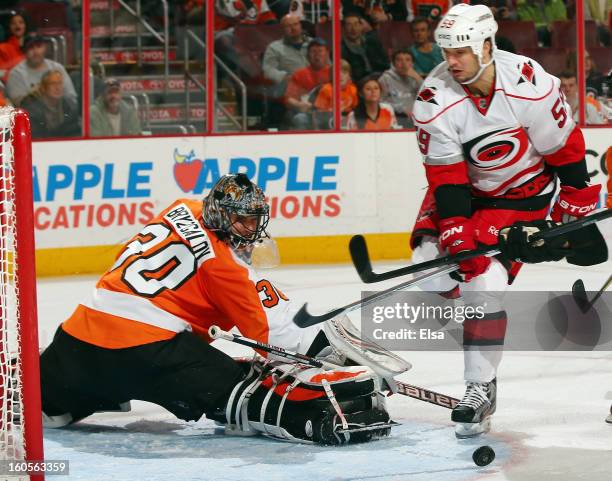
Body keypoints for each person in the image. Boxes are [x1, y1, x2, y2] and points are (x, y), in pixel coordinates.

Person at [39, 173, 394, 445]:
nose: (251, 229)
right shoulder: (226, 267)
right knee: (244, 391)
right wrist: (349, 362)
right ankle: (314, 417)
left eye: (254, 220)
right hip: (149, 353)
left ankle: (83, 390)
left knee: (43, 405)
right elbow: (276, 334)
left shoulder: (179, 208)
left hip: (78, 338)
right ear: (221, 216)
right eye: (243, 220)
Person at [410, 3, 606, 438]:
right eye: (446, 52)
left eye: (460, 51)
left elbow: (565, 149)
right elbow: (446, 177)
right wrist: (457, 231)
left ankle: (479, 386)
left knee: (485, 286)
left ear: (486, 44)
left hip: (523, 198)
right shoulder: (433, 99)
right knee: (432, 272)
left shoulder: (529, 84)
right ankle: (476, 303)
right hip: (467, 194)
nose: (452, 61)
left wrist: (574, 198)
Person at [262, 14, 311, 126]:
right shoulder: (274, 47)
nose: (293, 28)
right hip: (290, 89)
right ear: (282, 29)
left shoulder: (313, 44)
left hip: (315, 87)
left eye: (295, 24)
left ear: (300, 25)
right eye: (288, 26)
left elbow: (328, 65)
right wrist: (285, 77)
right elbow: (268, 70)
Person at [5, 33, 76, 106]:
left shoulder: (57, 68)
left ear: (45, 48)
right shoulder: (16, 74)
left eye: (39, 46)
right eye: (31, 48)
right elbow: (19, 105)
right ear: (24, 51)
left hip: (59, 114)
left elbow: (71, 99)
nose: (35, 52)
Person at [284, 37, 330, 129]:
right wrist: (299, 105)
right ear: (308, 55)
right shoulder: (299, 74)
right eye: (313, 51)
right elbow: (288, 98)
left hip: (330, 114)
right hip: (308, 114)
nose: (317, 55)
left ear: (327, 54)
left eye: (320, 51)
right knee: (299, 119)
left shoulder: (335, 73)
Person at [20, 69, 80, 138]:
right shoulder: (32, 111)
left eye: (60, 83)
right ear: (43, 87)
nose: (57, 87)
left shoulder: (71, 107)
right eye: (53, 83)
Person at [379, 48, 423, 128]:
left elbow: (427, 98)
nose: (404, 63)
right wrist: (401, 109)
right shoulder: (385, 79)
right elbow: (380, 102)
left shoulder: (416, 79)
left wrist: (418, 79)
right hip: (396, 117)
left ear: (412, 63)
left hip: (416, 118)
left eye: (407, 60)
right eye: (399, 60)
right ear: (393, 63)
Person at [340, 12, 389, 82]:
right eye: (349, 25)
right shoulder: (340, 49)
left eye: (356, 24)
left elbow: (386, 62)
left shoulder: (373, 41)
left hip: (381, 77)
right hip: (360, 82)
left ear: (361, 26)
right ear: (343, 28)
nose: (353, 29)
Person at [312, 59, 358, 129]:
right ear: (332, 75)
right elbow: (318, 114)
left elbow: (355, 108)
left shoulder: (353, 89)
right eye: (337, 73)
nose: (340, 75)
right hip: (328, 122)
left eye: (344, 73)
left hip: (347, 123)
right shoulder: (326, 90)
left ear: (349, 75)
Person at [0, 11, 28, 83]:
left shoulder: (33, 47)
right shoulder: (2, 48)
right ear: (9, 27)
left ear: (26, 26)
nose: (17, 25)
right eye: (13, 23)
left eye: (21, 22)